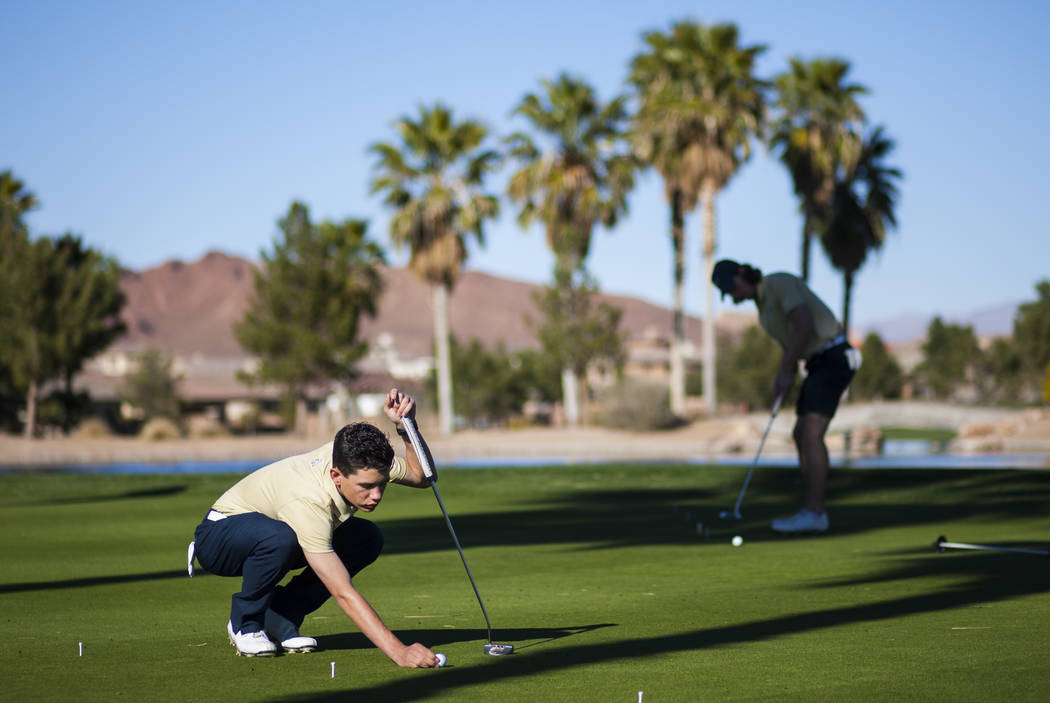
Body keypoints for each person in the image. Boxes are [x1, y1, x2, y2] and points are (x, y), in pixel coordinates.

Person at [188, 388, 442, 667]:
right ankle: (245, 624)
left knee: (365, 537)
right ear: (336, 475)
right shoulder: (310, 500)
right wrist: (399, 652)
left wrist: (406, 427)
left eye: (381, 483)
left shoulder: (363, 461)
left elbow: (422, 476)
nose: (377, 494)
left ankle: (280, 615)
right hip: (219, 539)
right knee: (281, 538)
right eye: (367, 487)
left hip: (269, 531)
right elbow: (341, 589)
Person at [712, 259, 860, 534]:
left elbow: (803, 325)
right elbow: (789, 345)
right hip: (817, 363)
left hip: (835, 354)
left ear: (742, 273)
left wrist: (788, 370)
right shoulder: (763, 313)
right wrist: (782, 379)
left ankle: (815, 513)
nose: (732, 296)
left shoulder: (777, 283)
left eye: (731, 287)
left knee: (812, 432)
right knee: (800, 432)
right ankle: (811, 510)